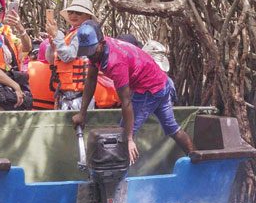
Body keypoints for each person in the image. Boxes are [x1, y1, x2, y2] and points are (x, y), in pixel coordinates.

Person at [71, 22, 193, 163]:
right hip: (161, 82)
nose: (90, 56)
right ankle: (195, 157)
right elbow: (91, 79)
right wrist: (82, 113)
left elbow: (126, 101)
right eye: (86, 52)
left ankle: (117, 181)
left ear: (101, 43)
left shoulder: (115, 62)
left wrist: (129, 138)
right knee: (173, 129)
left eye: (92, 52)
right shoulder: (97, 51)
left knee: (121, 137)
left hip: (149, 89)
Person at [43, 0, 95, 111]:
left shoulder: (85, 33)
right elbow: (51, 60)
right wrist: (52, 47)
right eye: (71, 12)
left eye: (78, 13)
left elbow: (68, 56)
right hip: (65, 93)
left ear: (88, 16)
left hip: (79, 96)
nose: (73, 15)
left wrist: (57, 36)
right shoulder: (71, 34)